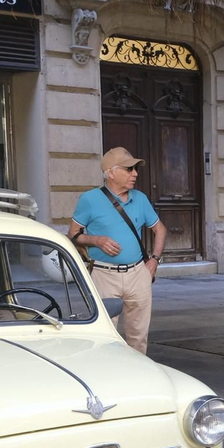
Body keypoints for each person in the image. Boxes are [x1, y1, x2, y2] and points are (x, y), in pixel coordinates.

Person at [67, 148, 167, 353]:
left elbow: (160, 230)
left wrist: (154, 260)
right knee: (104, 337)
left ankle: (136, 371)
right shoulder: (89, 199)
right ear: (110, 173)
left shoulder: (140, 198)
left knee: (138, 337)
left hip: (138, 274)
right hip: (104, 275)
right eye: (129, 169)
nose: (135, 173)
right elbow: (73, 235)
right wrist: (96, 240)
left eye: (135, 169)